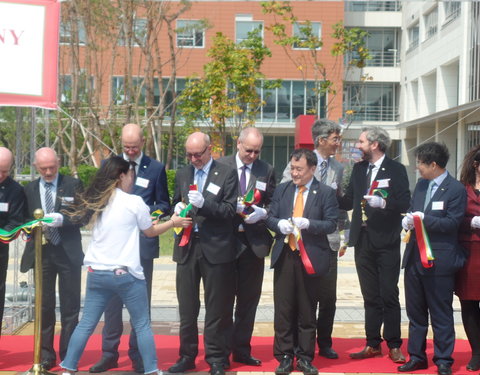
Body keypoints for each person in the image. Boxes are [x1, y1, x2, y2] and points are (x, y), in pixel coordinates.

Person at [59, 156, 191, 375]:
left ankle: (68, 368)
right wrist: (174, 222)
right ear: (121, 176)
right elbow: (149, 231)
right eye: (131, 175)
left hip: (97, 273)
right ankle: (151, 370)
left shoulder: (98, 201)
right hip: (125, 275)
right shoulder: (134, 202)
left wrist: (148, 223)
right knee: (141, 325)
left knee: (86, 324)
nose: (133, 179)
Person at [89, 123, 171, 374]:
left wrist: (152, 215)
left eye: (134, 146)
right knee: (111, 304)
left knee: (139, 305)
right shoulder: (109, 166)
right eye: (126, 146)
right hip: (113, 248)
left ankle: (138, 354)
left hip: (142, 245)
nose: (131, 151)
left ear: (143, 142)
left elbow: (164, 203)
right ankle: (109, 353)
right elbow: (99, 197)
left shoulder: (156, 168)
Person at [338, 127, 410, 363]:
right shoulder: (358, 169)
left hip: (387, 240)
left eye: (361, 142)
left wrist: (384, 203)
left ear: (375, 144)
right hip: (363, 239)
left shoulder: (396, 169)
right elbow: (348, 200)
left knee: (389, 293)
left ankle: (394, 344)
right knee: (370, 295)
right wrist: (327, 191)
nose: (358, 146)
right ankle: (372, 343)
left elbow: (404, 202)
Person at [169, 132, 238, 375]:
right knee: (187, 307)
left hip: (216, 247)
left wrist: (204, 204)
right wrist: (176, 208)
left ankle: (217, 358)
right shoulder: (183, 173)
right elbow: (175, 201)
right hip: (188, 246)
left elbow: (230, 211)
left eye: (198, 154)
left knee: (216, 307)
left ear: (210, 150)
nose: (193, 159)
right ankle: (187, 356)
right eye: (189, 154)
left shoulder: (227, 172)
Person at [281, 119, 350, 359]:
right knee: (300, 297)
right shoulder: (298, 162)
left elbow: (338, 205)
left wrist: (344, 235)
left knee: (327, 295)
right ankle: (295, 346)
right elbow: (284, 194)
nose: (338, 143)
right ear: (321, 140)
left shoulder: (338, 168)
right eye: (335, 139)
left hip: (328, 240)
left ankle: (325, 342)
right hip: (299, 241)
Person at [266, 148, 338, 375]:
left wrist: (309, 224)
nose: (294, 173)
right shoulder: (283, 190)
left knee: (307, 310)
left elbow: (331, 224)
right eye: (292, 168)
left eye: (299, 169)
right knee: (284, 309)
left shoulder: (325, 192)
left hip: (311, 257)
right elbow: (269, 216)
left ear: (312, 169)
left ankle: (305, 356)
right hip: (286, 255)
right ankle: (285, 355)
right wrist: (279, 224)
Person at [399, 142, 467, 375]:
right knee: (415, 313)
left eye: (420, 163)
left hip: (439, 260)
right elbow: (411, 210)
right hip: (414, 260)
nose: (417, 167)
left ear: (433, 164)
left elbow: (452, 223)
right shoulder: (420, 185)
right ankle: (416, 356)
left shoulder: (456, 189)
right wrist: (408, 221)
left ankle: (444, 359)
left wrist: (424, 219)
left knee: (440, 313)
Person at [20, 147, 84, 369]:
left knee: (70, 306)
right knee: (44, 306)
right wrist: (28, 228)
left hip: (67, 252)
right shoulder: (28, 189)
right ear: (36, 167)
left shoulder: (73, 185)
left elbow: (83, 215)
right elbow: (23, 219)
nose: (48, 172)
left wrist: (63, 220)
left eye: (52, 167)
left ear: (59, 162)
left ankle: (69, 354)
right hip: (42, 253)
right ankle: (46, 354)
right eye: (44, 168)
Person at [218, 127, 275, 366]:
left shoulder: (266, 170)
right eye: (249, 150)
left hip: (253, 243)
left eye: (257, 151)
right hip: (225, 242)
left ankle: (241, 349)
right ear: (238, 144)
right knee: (222, 301)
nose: (252, 155)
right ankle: (221, 353)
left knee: (248, 301)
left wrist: (263, 213)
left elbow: (274, 202)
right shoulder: (220, 166)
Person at [456, 145, 480, 372]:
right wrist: (471, 222)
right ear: (476, 165)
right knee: (470, 303)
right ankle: (477, 352)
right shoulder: (462, 190)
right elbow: (452, 218)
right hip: (470, 252)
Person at [0, 147, 25, 338]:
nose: (1, 175)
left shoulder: (15, 190)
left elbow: (16, 221)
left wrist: (4, 233)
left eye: (5, 171)